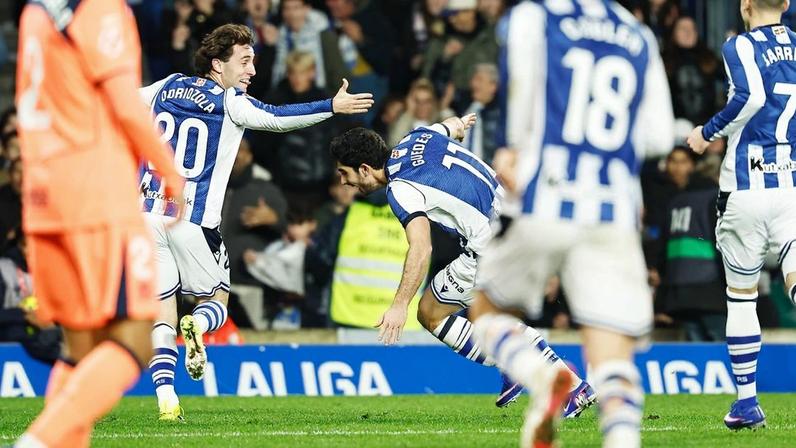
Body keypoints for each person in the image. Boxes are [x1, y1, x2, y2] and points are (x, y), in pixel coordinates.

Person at [138, 23, 372, 421]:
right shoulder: (229, 102)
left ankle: (165, 398)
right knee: (217, 301)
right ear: (217, 65)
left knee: (162, 313)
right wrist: (331, 106)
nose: (252, 71)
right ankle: (197, 323)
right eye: (244, 62)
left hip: (144, 215)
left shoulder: (164, 87)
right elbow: (277, 118)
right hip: (191, 220)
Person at [469, 1, 674, 447]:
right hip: (614, 207)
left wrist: (515, 149)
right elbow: (658, 136)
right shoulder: (637, 33)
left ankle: (540, 376)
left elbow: (520, 100)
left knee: (486, 312)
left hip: (545, 194)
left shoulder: (534, 16)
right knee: (612, 355)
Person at [329, 115, 595, 412]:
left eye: (344, 173)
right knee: (485, 318)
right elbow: (452, 125)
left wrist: (399, 304)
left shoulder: (401, 188)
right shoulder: (415, 137)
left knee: (431, 313)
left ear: (365, 169)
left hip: (493, 247)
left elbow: (421, 247)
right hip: (517, 221)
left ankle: (568, 384)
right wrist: (461, 125)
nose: (343, 181)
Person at [14, 1, 184, 447]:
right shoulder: (100, 8)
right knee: (135, 343)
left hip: (42, 198)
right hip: (95, 194)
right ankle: (36, 442)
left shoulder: (36, 11)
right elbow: (125, 105)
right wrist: (170, 172)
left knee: (79, 351)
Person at [687, 0, 795, 431]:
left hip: (745, 188)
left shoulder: (740, 46)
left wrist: (706, 132)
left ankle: (747, 402)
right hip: (790, 183)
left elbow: (750, 96)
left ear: (744, 4)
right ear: (786, 4)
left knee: (741, 293)